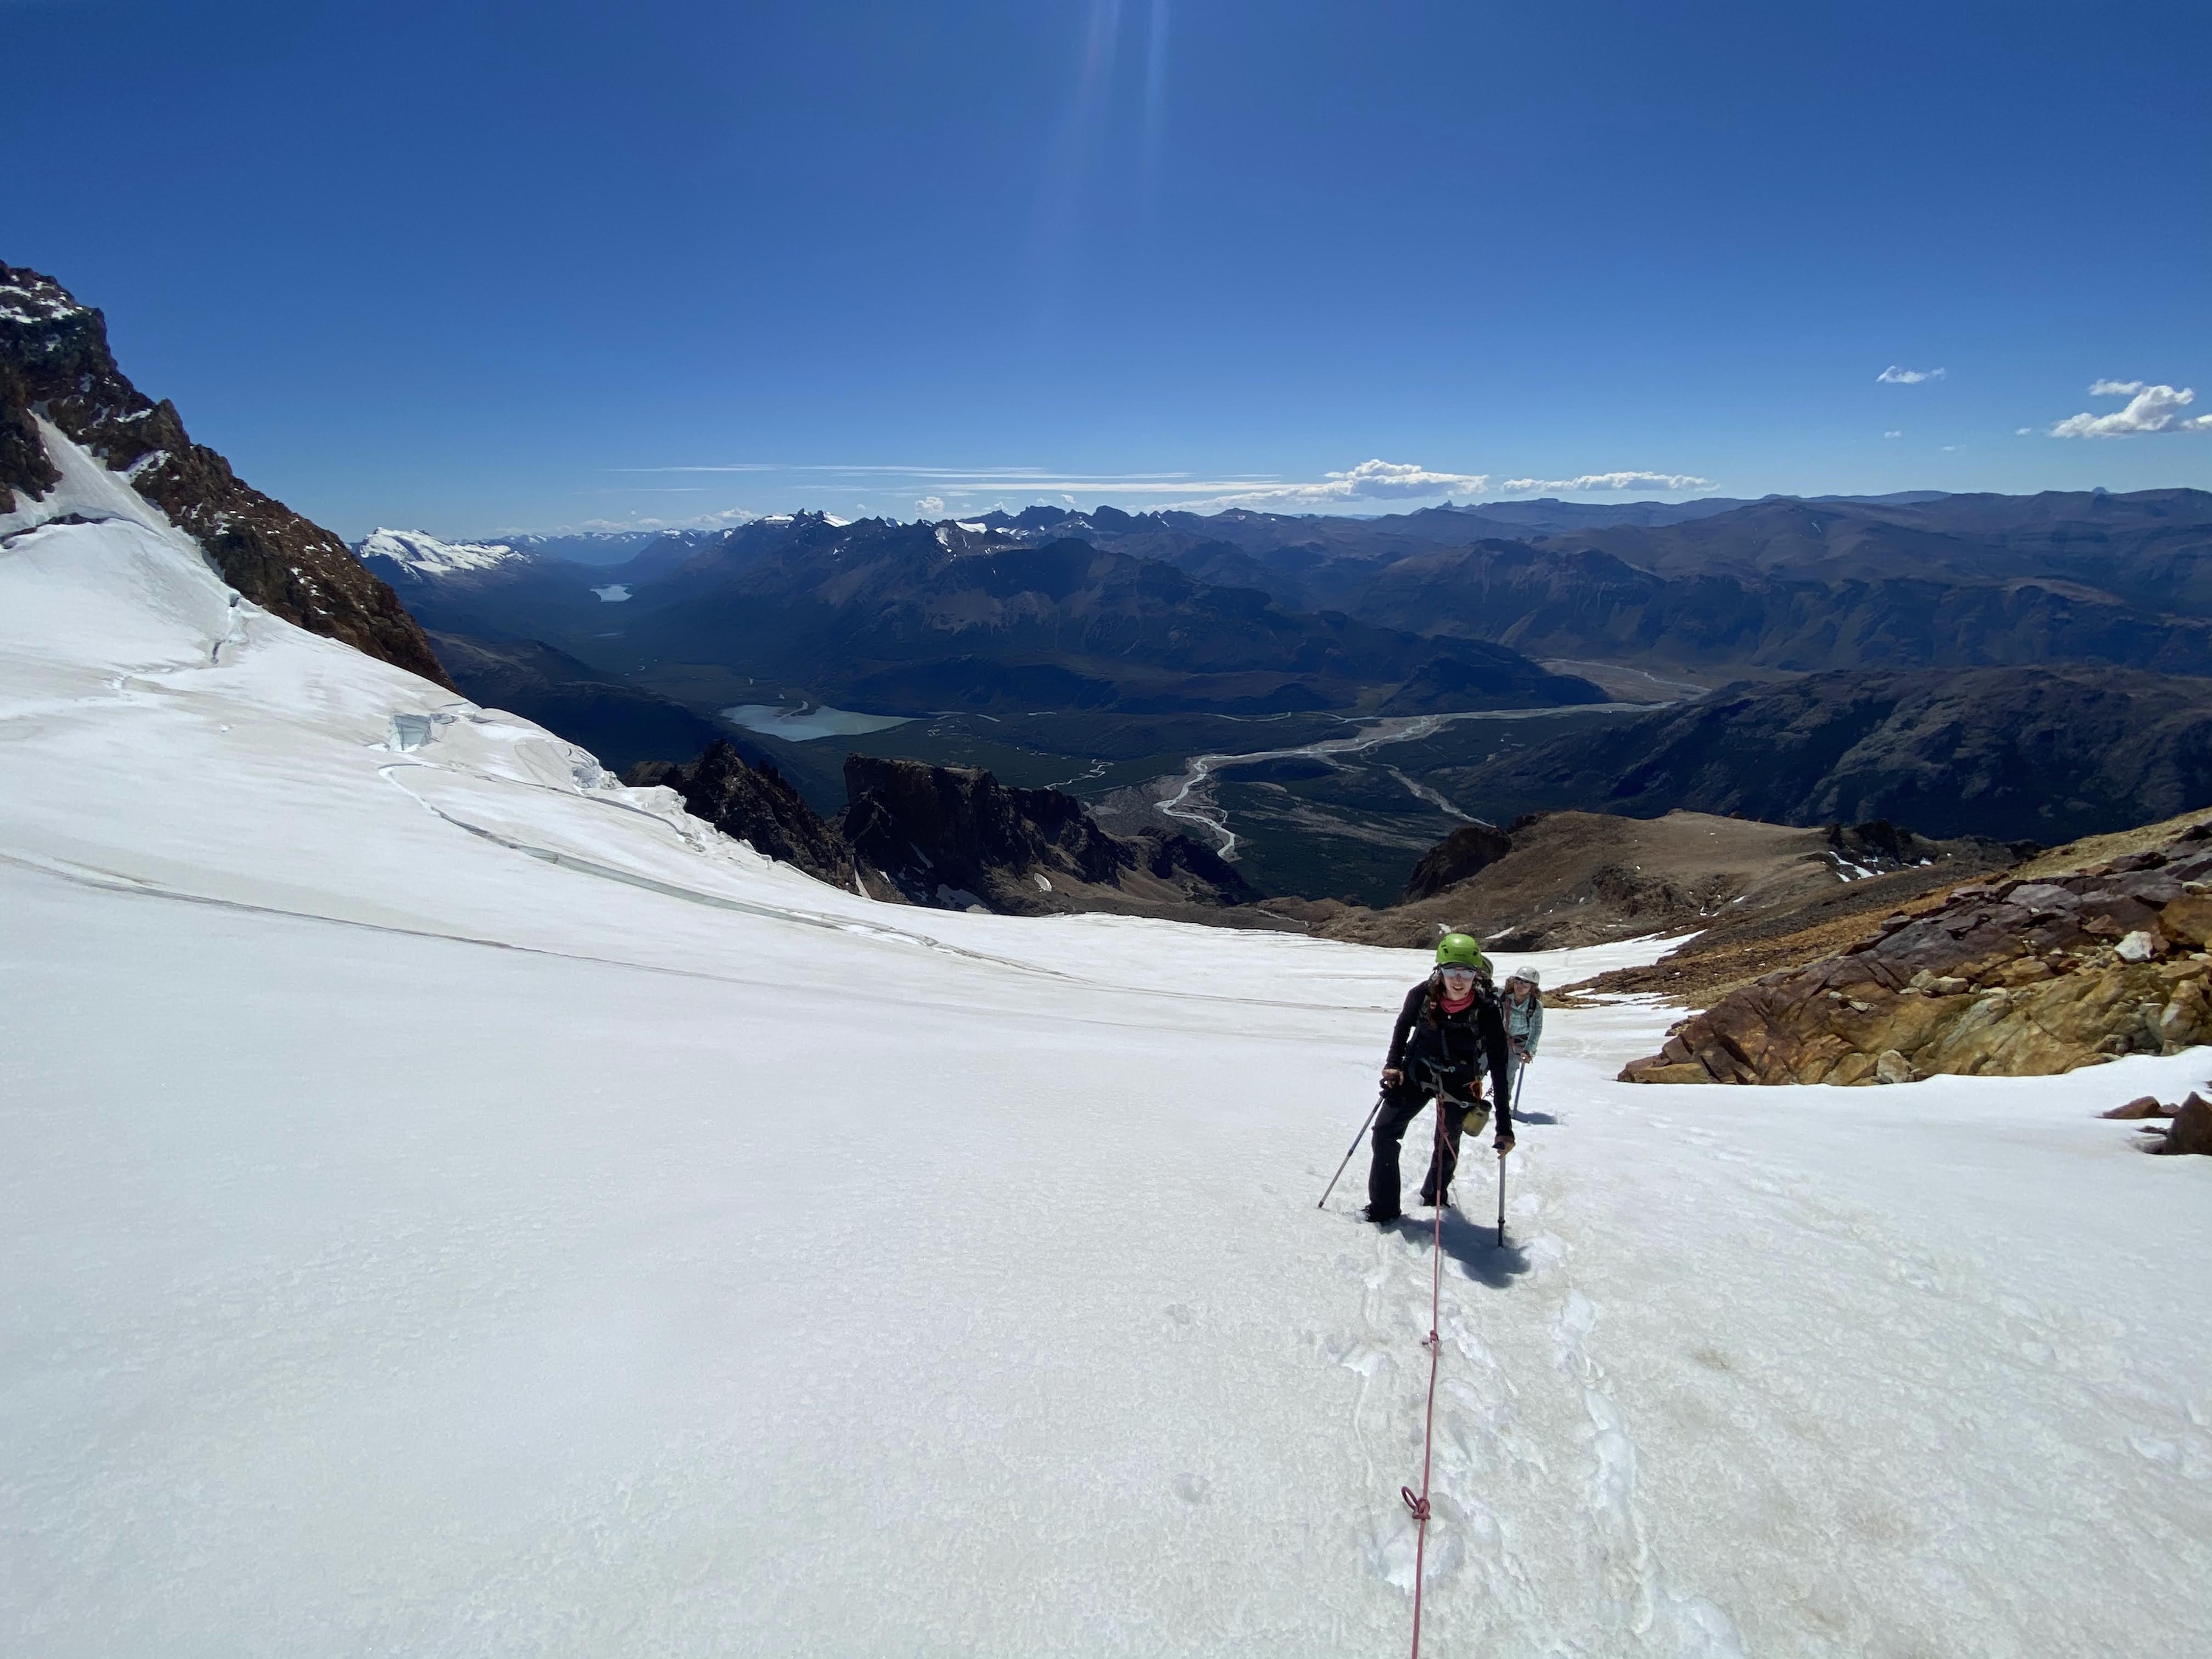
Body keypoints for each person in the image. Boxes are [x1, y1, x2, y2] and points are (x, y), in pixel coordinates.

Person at [1362, 933, 1514, 1225]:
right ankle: (1384, 1207)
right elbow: (1402, 1027)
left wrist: (1504, 1127)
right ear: (1439, 971)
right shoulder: (1421, 996)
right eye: (1451, 971)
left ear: (1476, 974)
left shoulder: (1486, 1010)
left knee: (1448, 1141)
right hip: (1417, 1073)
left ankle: (1436, 1193)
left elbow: (1498, 1064)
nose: (1459, 980)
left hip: (1460, 1082)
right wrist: (1393, 1065)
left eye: (1467, 972)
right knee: (1384, 1132)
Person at [1501, 967, 1543, 1096]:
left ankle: (1503, 1107)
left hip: (1517, 1045)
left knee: (1507, 1078)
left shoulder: (1535, 1006)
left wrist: (1528, 1050)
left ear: (1532, 987)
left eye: (1525, 983)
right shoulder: (1502, 997)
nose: (1520, 985)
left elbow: (1536, 1029)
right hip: (1497, 1040)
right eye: (1518, 981)